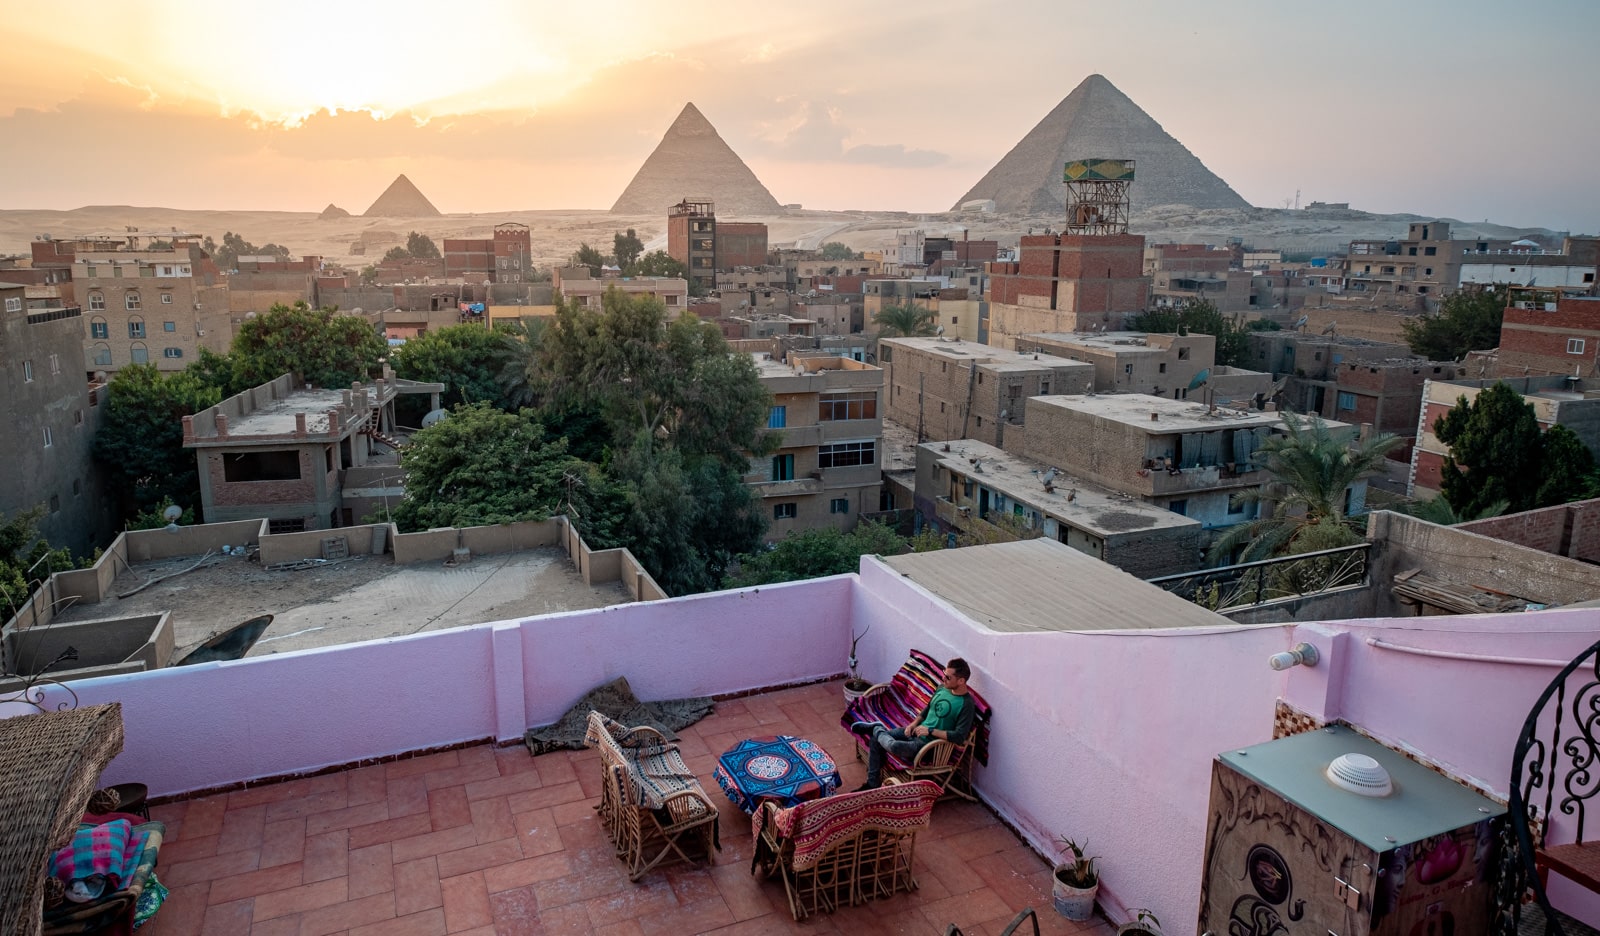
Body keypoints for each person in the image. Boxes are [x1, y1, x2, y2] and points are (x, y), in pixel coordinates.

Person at [851, 657, 974, 791]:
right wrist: (913, 724)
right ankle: (872, 783)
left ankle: (876, 728)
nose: (943, 679)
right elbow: (927, 709)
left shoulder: (966, 704)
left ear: (961, 681)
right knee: (876, 740)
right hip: (915, 731)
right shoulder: (942, 688)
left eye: (948, 677)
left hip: (928, 746)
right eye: (944, 674)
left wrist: (931, 731)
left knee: (895, 746)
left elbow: (959, 736)